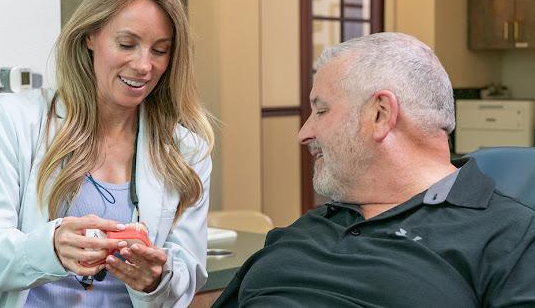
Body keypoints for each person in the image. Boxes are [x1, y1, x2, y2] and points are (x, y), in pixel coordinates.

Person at [0, 0, 214, 308]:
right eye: (127, 43)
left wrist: (155, 281)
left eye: (159, 50)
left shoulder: (186, 150)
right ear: (90, 36)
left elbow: (187, 275)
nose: (143, 65)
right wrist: (50, 248)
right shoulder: (17, 120)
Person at [213, 32, 535, 307]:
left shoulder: (513, 237)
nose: (304, 133)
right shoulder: (304, 230)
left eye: (321, 110)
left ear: (380, 114)